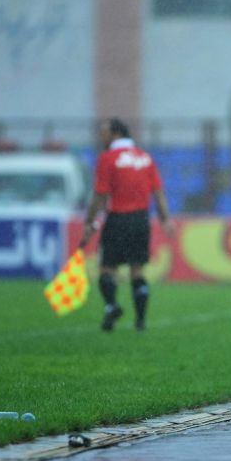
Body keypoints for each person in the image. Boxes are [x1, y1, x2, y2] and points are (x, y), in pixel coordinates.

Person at [80, 118, 174, 332]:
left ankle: (112, 305)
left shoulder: (107, 158)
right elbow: (158, 193)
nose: (100, 136)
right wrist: (165, 219)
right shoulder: (145, 158)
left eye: (103, 132)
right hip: (141, 220)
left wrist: (90, 222)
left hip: (118, 218)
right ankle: (140, 321)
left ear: (116, 134)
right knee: (137, 270)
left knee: (107, 268)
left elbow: (100, 195)